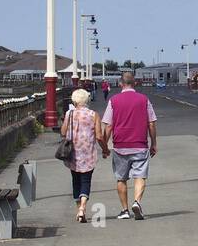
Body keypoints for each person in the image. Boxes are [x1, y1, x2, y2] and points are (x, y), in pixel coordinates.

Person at [100, 70, 157, 220]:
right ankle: (137, 202)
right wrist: (154, 143)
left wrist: (105, 147)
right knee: (140, 176)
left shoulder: (113, 100)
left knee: (121, 178)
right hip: (139, 143)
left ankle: (125, 210)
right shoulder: (144, 99)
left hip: (120, 145)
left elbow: (108, 126)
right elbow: (151, 123)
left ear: (120, 84)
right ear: (135, 83)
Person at [60, 87, 102, 223]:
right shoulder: (93, 114)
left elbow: (63, 132)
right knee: (86, 180)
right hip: (88, 152)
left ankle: (79, 209)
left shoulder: (69, 114)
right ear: (86, 99)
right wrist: (105, 149)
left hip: (73, 152)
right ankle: (83, 208)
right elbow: (99, 135)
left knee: (75, 180)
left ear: (74, 100)